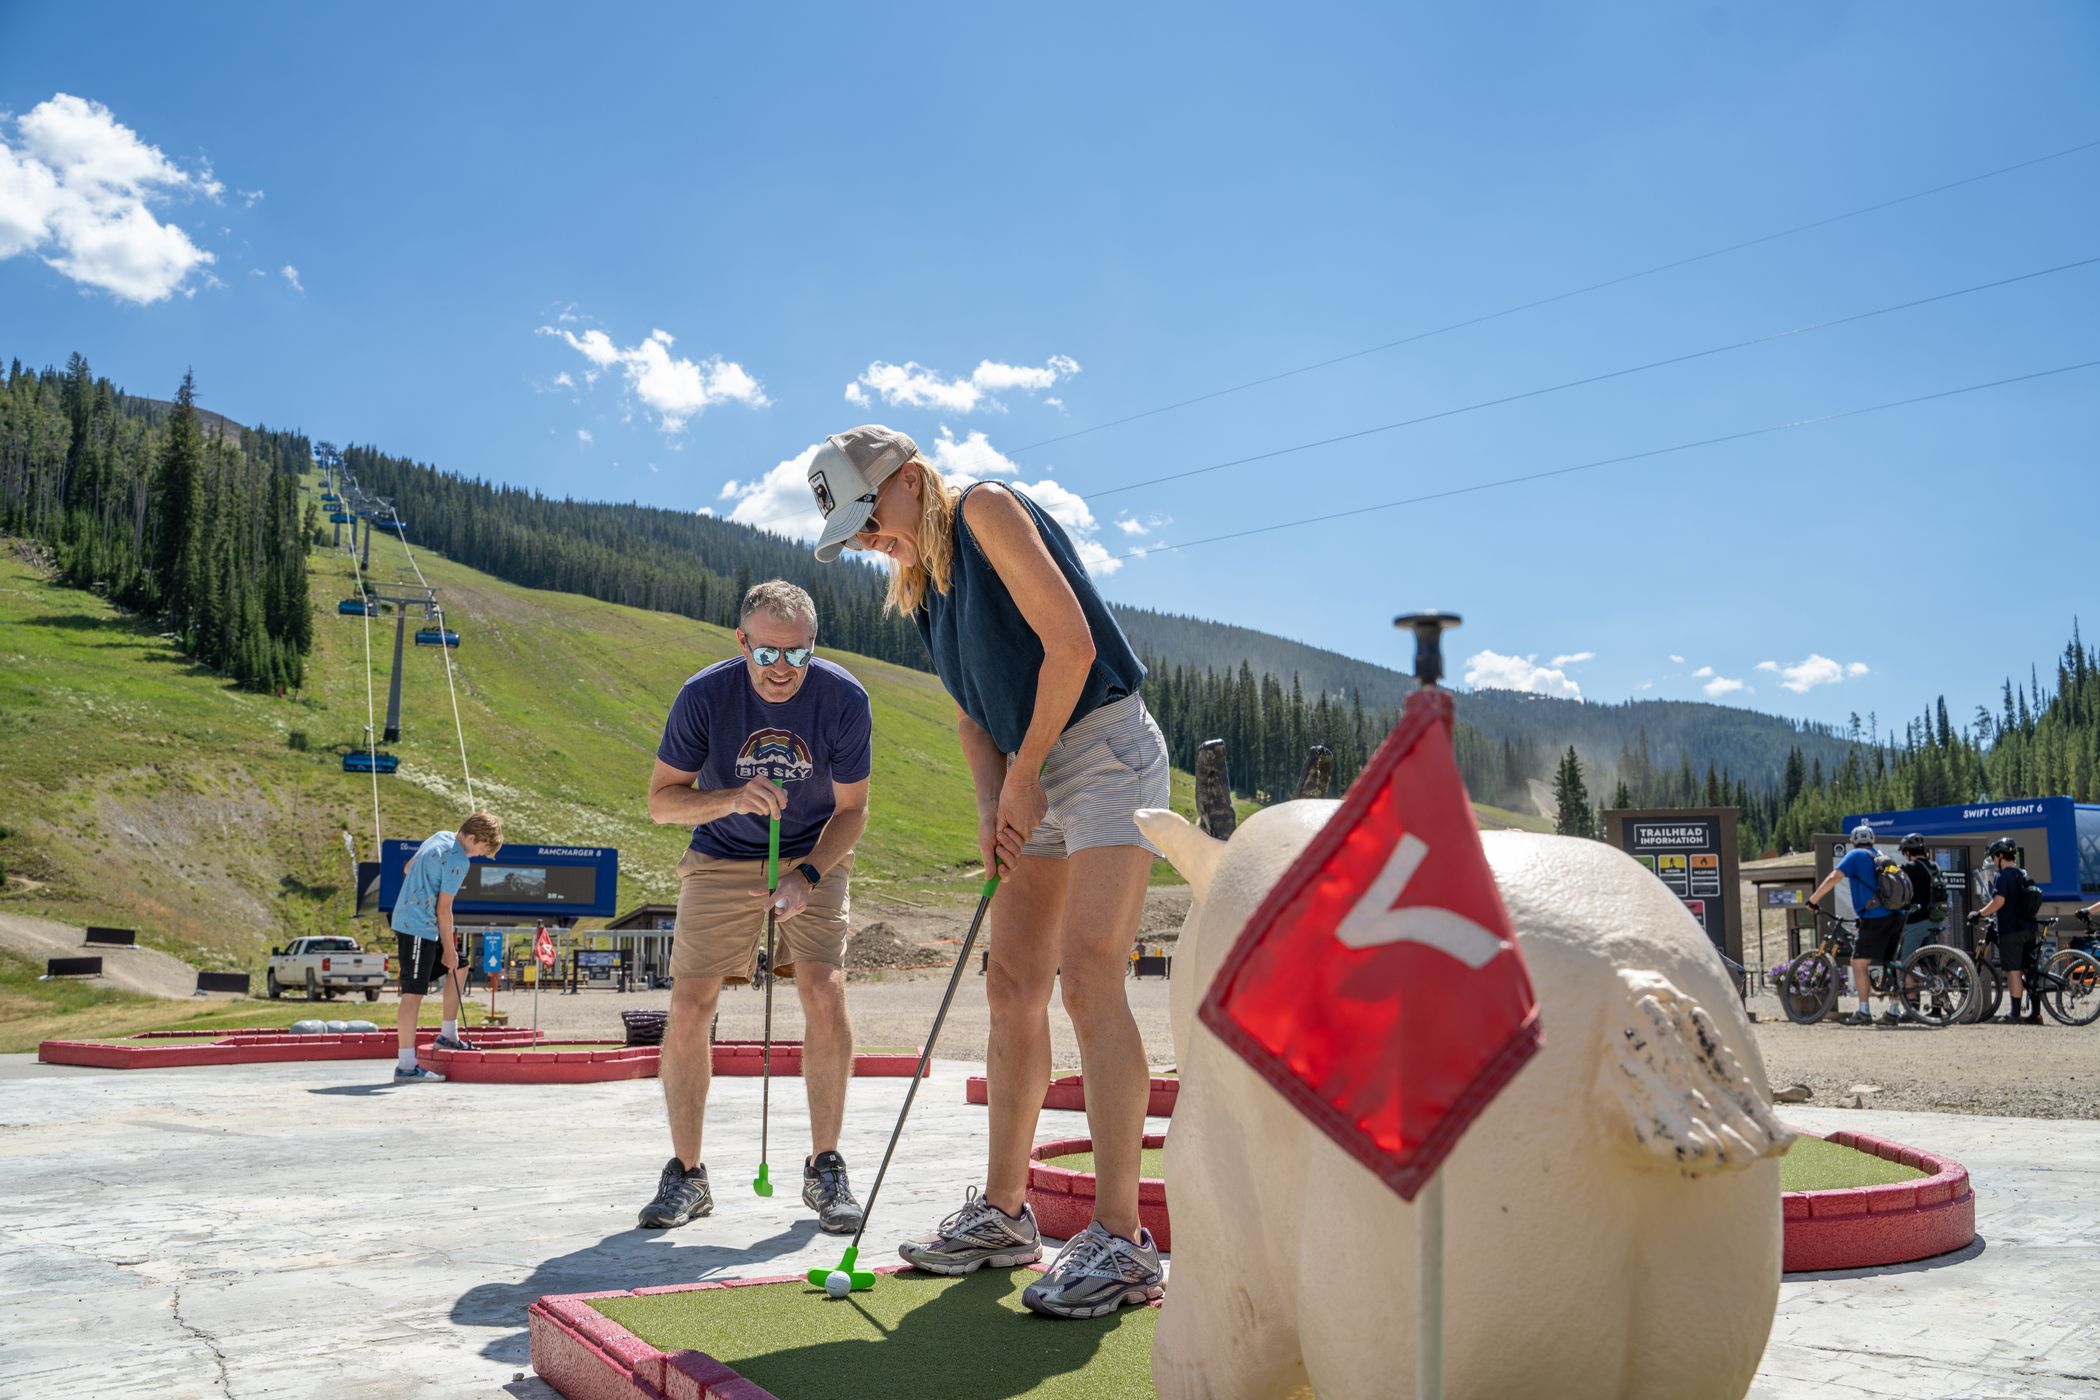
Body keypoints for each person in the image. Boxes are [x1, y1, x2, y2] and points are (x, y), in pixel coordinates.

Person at [809, 424, 1171, 1320]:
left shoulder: (984, 509)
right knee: (1011, 985)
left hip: (1102, 751)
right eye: (853, 534)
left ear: (907, 478)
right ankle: (1006, 1218)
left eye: (869, 518)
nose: (868, 541)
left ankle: (1123, 1242)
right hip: (1025, 766)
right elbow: (974, 715)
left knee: (1089, 977)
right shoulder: (925, 587)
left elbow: (1072, 647)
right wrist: (990, 801)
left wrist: (1025, 773)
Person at [638, 581, 872, 1233]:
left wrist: (807, 876)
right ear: (742, 642)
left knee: (824, 990)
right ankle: (687, 1175)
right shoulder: (704, 695)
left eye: (797, 654)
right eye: (768, 653)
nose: (781, 669)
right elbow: (661, 803)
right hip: (720, 851)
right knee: (691, 1004)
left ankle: (826, 1168)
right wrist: (731, 799)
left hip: (813, 852)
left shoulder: (844, 698)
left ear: (813, 646)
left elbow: (853, 811)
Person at [389, 811, 504, 1082]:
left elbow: (408, 868)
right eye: (481, 849)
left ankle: (448, 1035)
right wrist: (448, 949)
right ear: (471, 838)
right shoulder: (458, 860)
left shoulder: (440, 836)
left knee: (460, 966)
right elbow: (444, 909)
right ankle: (406, 1066)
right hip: (417, 927)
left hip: (412, 919)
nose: (479, 855)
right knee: (413, 993)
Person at [1805, 824, 1905, 1026]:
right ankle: (1893, 1011)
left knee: (1859, 963)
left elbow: (1834, 877)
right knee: (1889, 961)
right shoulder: (1880, 854)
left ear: (1853, 841)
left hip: (1875, 916)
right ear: (1872, 840)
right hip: (1896, 914)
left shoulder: (1856, 855)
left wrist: (1813, 900)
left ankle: (1864, 1011)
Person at [1970, 836, 2041, 1025]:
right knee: (2030, 970)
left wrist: (1979, 913)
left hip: (2011, 930)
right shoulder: (2023, 874)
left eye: (1994, 856)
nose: (1994, 861)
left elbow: (1998, 901)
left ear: (2000, 856)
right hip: (2030, 928)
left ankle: (2015, 1014)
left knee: (2012, 970)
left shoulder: (2003, 876)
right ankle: (2036, 1014)